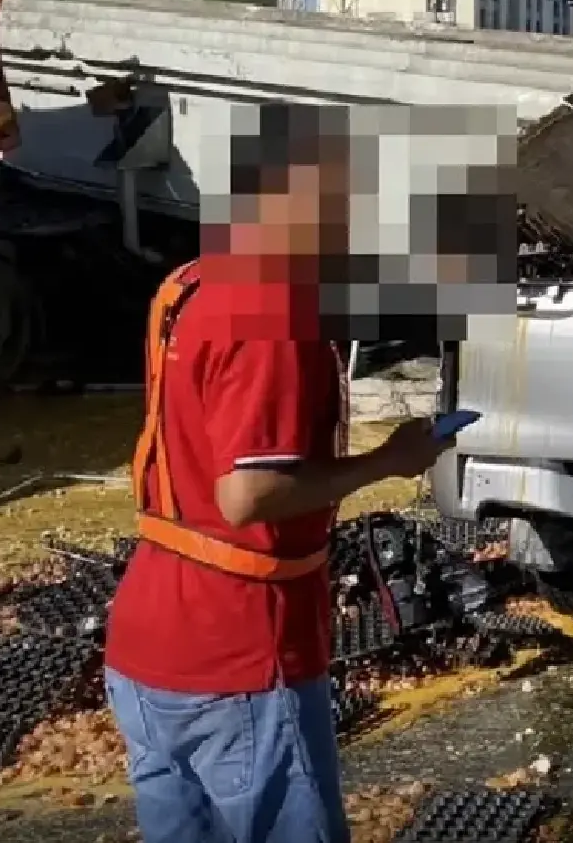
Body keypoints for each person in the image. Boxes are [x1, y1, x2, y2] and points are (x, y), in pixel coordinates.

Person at [103, 104, 452, 843]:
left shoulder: (193, 286)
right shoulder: (275, 312)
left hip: (149, 650)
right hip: (237, 660)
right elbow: (248, 492)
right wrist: (389, 462)